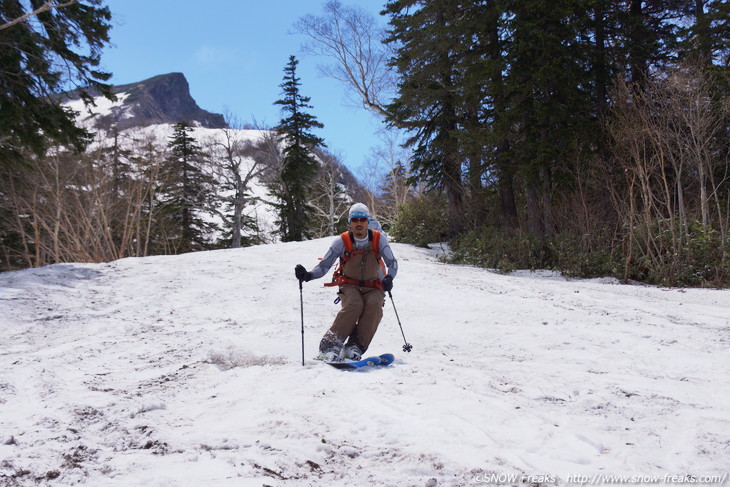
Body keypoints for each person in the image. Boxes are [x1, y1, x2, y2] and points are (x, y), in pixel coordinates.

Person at [295, 203, 398, 362]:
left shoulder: (379, 239)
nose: (359, 223)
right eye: (355, 220)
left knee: (374, 305)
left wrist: (389, 278)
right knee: (355, 304)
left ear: (367, 221)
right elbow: (324, 266)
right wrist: (308, 275)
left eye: (362, 219)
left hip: (373, 285)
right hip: (349, 285)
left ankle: (355, 346)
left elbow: (392, 263)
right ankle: (329, 346)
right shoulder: (341, 242)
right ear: (350, 222)